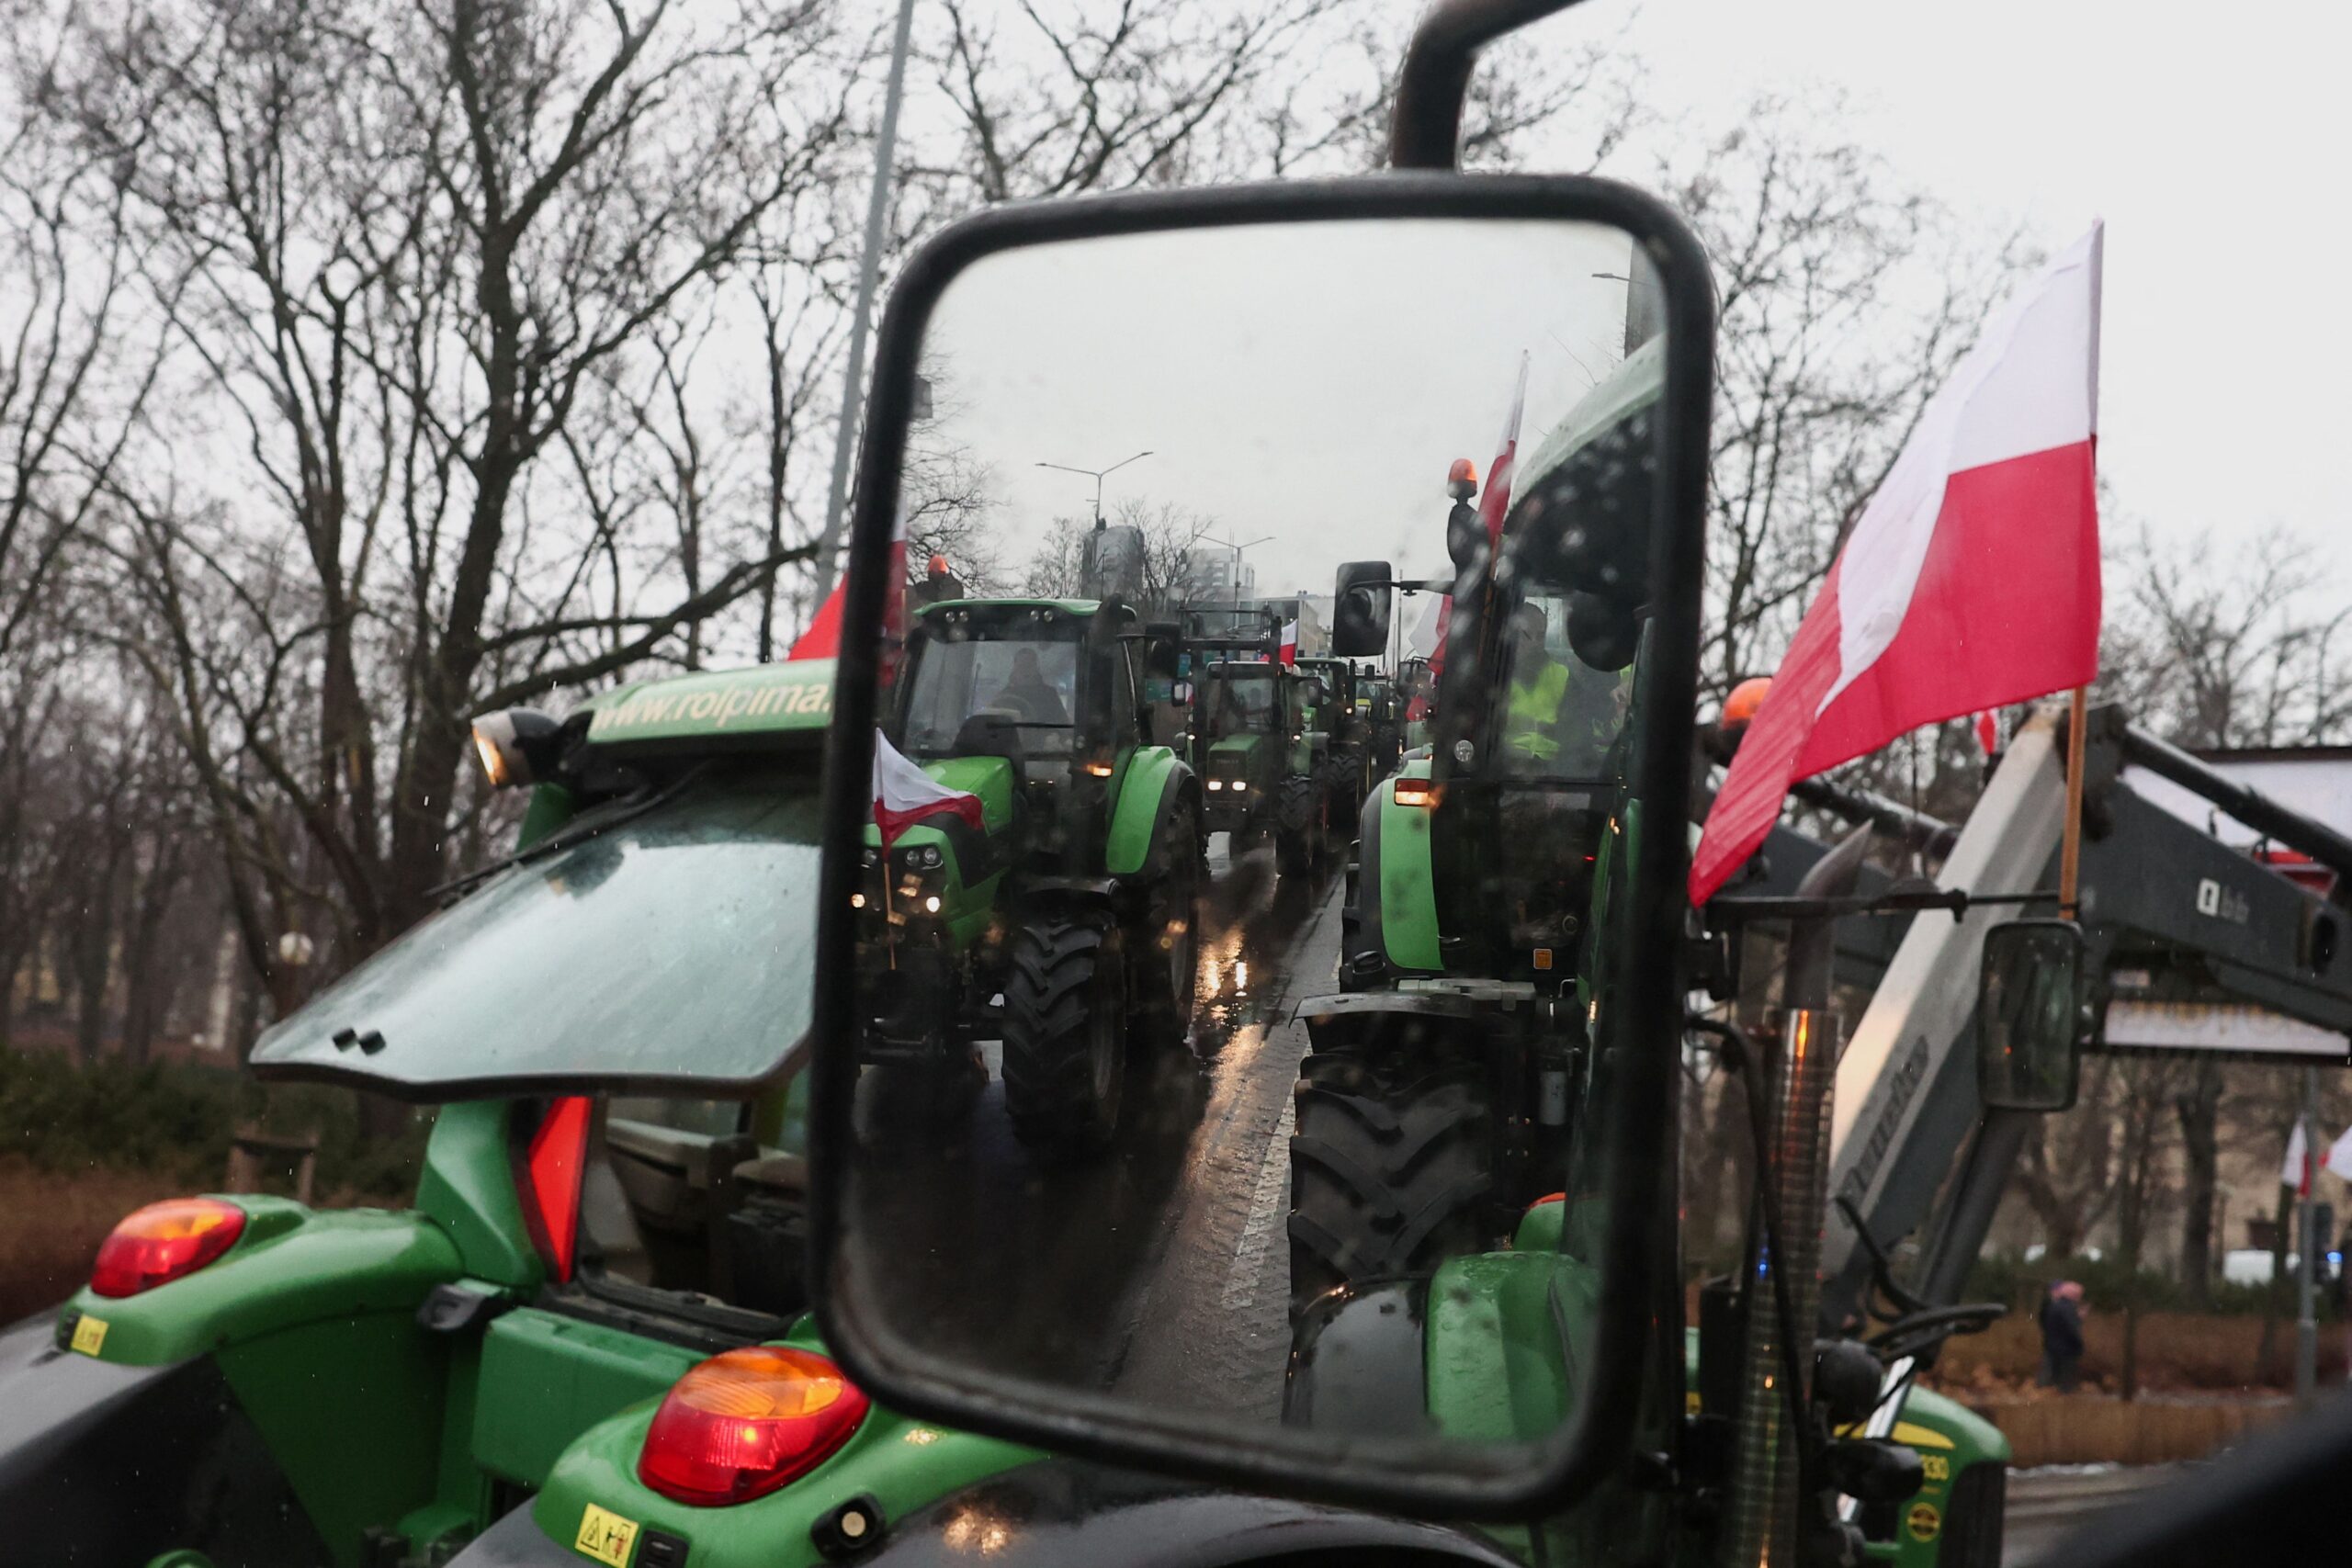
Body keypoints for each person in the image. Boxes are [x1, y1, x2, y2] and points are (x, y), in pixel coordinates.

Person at [990, 647, 1069, 726]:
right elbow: (993, 726)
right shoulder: (1003, 697)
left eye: (1029, 665)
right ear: (1015, 669)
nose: (1025, 670)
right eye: (1021, 666)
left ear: (1037, 669)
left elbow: (1063, 724)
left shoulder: (1050, 695)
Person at [2037, 1280, 2086, 1392]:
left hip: (2051, 1346)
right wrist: (2079, 1346)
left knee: (2048, 1377)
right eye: (2078, 1295)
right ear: (2074, 1295)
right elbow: (2072, 1329)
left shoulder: (2053, 1306)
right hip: (2066, 1350)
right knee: (2065, 1383)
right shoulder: (2068, 1309)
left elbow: (2046, 1324)